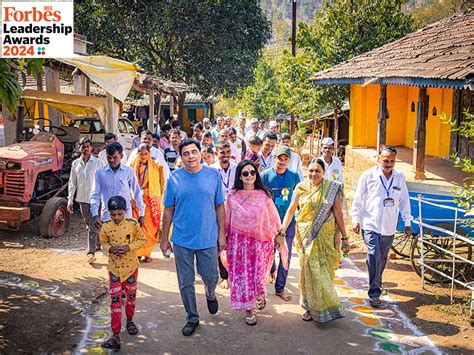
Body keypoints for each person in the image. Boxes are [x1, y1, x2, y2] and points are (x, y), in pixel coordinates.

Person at [160, 139, 225, 336]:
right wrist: (164, 238)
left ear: (200, 153)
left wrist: (221, 233)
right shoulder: (174, 178)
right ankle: (192, 317)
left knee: (211, 276)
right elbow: (168, 210)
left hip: (208, 237)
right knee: (186, 281)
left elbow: (220, 205)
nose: (191, 156)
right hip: (182, 239)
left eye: (194, 152)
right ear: (181, 156)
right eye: (186, 153)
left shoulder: (213, 175)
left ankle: (210, 292)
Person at [280, 158, 349, 323]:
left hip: (326, 236)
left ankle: (323, 305)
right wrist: (282, 232)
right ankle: (310, 306)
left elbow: (338, 213)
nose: (314, 174)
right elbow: (290, 211)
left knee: (323, 271)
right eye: (311, 170)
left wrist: (345, 237)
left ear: (324, 172)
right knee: (310, 271)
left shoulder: (332, 187)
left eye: (317, 170)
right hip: (306, 237)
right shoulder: (301, 187)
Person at [350, 146, 412, 307]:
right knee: (374, 254)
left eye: (392, 161)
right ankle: (374, 292)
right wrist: (355, 219)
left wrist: (407, 222)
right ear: (378, 159)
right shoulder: (368, 175)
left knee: (382, 258)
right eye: (385, 160)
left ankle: (376, 280)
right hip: (370, 223)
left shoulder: (399, 177)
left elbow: (404, 200)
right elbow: (357, 200)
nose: (388, 163)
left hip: (389, 226)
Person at [224, 160, 282, 326]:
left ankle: (259, 294)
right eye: (245, 173)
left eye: (252, 172)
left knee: (257, 276)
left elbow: (273, 217)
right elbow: (227, 218)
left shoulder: (264, 196)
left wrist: (278, 235)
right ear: (240, 176)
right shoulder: (232, 195)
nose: (249, 176)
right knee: (243, 277)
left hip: (259, 244)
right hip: (238, 243)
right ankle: (249, 309)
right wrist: (223, 237)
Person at [100, 196, 146, 350]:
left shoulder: (133, 224)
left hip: (131, 268)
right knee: (115, 302)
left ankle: (130, 320)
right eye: (113, 215)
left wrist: (128, 248)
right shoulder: (105, 226)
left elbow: (142, 240)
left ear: (125, 211)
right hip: (114, 269)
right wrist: (110, 249)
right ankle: (115, 335)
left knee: (131, 297)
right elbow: (103, 242)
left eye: (120, 214)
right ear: (109, 213)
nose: (116, 218)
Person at [261, 146, 301, 300]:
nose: (282, 162)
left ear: (289, 161)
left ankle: (280, 288)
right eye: (279, 158)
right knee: (267, 254)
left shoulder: (295, 176)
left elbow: (299, 199)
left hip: (288, 222)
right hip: (268, 224)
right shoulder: (264, 176)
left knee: (286, 255)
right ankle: (266, 277)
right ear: (274, 158)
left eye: (285, 159)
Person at [67, 138, 106, 263]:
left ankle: (91, 252)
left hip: (96, 199)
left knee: (92, 223)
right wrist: (70, 200)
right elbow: (72, 183)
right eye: (83, 147)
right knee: (89, 223)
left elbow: (104, 181)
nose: (85, 149)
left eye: (87, 146)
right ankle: (98, 242)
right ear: (80, 149)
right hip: (82, 199)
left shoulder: (98, 163)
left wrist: (104, 199)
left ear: (91, 148)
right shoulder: (75, 164)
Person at [91, 142, 145, 228]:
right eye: (109, 157)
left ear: (121, 156)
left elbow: (137, 192)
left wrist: (142, 213)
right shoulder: (99, 173)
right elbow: (95, 195)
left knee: (126, 240)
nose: (111, 160)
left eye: (115, 157)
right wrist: (95, 215)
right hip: (107, 216)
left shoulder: (129, 172)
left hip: (125, 217)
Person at [130, 143, 165, 263]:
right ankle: (138, 253)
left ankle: (147, 253)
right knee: (137, 227)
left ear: (149, 154)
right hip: (135, 200)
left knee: (150, 227)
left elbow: (160, 184)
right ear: (137, 153)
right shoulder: (131, 167)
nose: (143, 156)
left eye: (146, 154)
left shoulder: (155, 167)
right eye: (141, 154)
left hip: (149, 201)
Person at [212, 141, 237, 290]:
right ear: (216, 153)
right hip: (216, 212)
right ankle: (224, 277)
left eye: (228, 153)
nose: (225, 156)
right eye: (222, 153)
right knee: (220, 244)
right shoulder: (211, 170)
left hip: (235, 212)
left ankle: (234, 274)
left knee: (234, 244)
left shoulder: (236, 169)